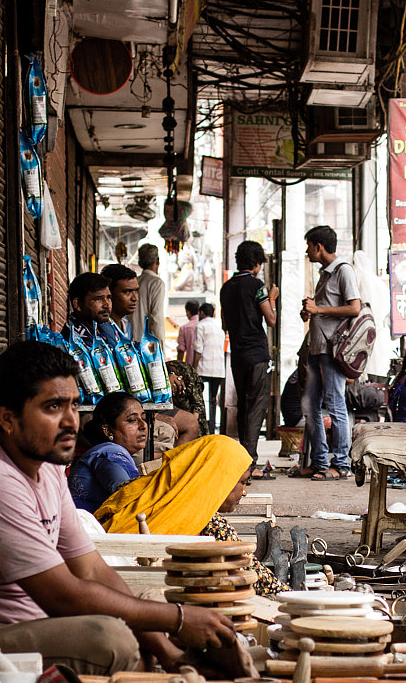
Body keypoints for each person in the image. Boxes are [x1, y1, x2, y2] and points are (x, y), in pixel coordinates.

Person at [0, 343, 237, 674]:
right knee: (115, 641)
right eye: (53, 407)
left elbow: (91, 570)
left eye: (74, 406)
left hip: (22, 624)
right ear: (7, 418)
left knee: (150, 607)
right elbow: (63, 596)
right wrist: (178, 621)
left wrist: (168, 652)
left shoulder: (45, 465)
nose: (71, 421)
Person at [97, 434, 282, 597]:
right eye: (242, 482)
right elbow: (259, 580)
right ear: (219, 478)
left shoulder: (137, 487)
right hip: (135, 592)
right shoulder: (209, 524)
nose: (244, 492)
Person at [295, 225, 362, 480]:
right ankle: (320, 462)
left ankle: (341, 463)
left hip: (333, 351)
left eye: (308, 246)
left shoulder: (343, 270)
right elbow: (322, 308)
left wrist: (319, 310)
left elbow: (354, 307)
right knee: (310, 406)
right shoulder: (325, 273)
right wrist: (310, 311)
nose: (307, 251)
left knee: (335, 406)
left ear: (318, 247)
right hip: (316, 348)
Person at [220, 240, 278, 477]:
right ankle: (249, 463)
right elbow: (271, 319)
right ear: (255, 264)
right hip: (256, 354)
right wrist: (272, 297)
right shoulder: (257, 286)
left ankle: (242, 459)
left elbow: (225, 324)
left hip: (238, 354)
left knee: (244, 405)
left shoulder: (226, 287)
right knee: (256, 407)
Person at [67, 392, 144, 513]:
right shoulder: (110, 452)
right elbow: (125, 492)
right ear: (108, 431)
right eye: (132, 420)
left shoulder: (100, 452)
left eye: (143, 418)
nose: (143, 425)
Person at [61, 271, 123, 351]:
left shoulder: (104, 329)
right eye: (98, 299)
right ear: (78, 304)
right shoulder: (73, 340)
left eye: (108, 297)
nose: (106, 305)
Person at [191, 302, 226, 433]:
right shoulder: (219, 328)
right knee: (212, 400)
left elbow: (198, 349)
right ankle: (211, 430)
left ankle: (204, 430)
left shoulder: (201, 326)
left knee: (203, 401)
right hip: (218, 371)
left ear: (202, 313)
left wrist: (193, 369)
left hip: (204, 369)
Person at [133, 243, 168, 345]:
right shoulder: (156, 283)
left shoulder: (135, 282)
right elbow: (156, 319)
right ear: (157, 261)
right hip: (147, 347)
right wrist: (161, 350)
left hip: (131, 344)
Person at [102, 263, 141, 342]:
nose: (135, 298)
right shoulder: (100, 329)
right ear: (109, 293)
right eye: (127, 292)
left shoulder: (125, 323)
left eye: (136, 291)